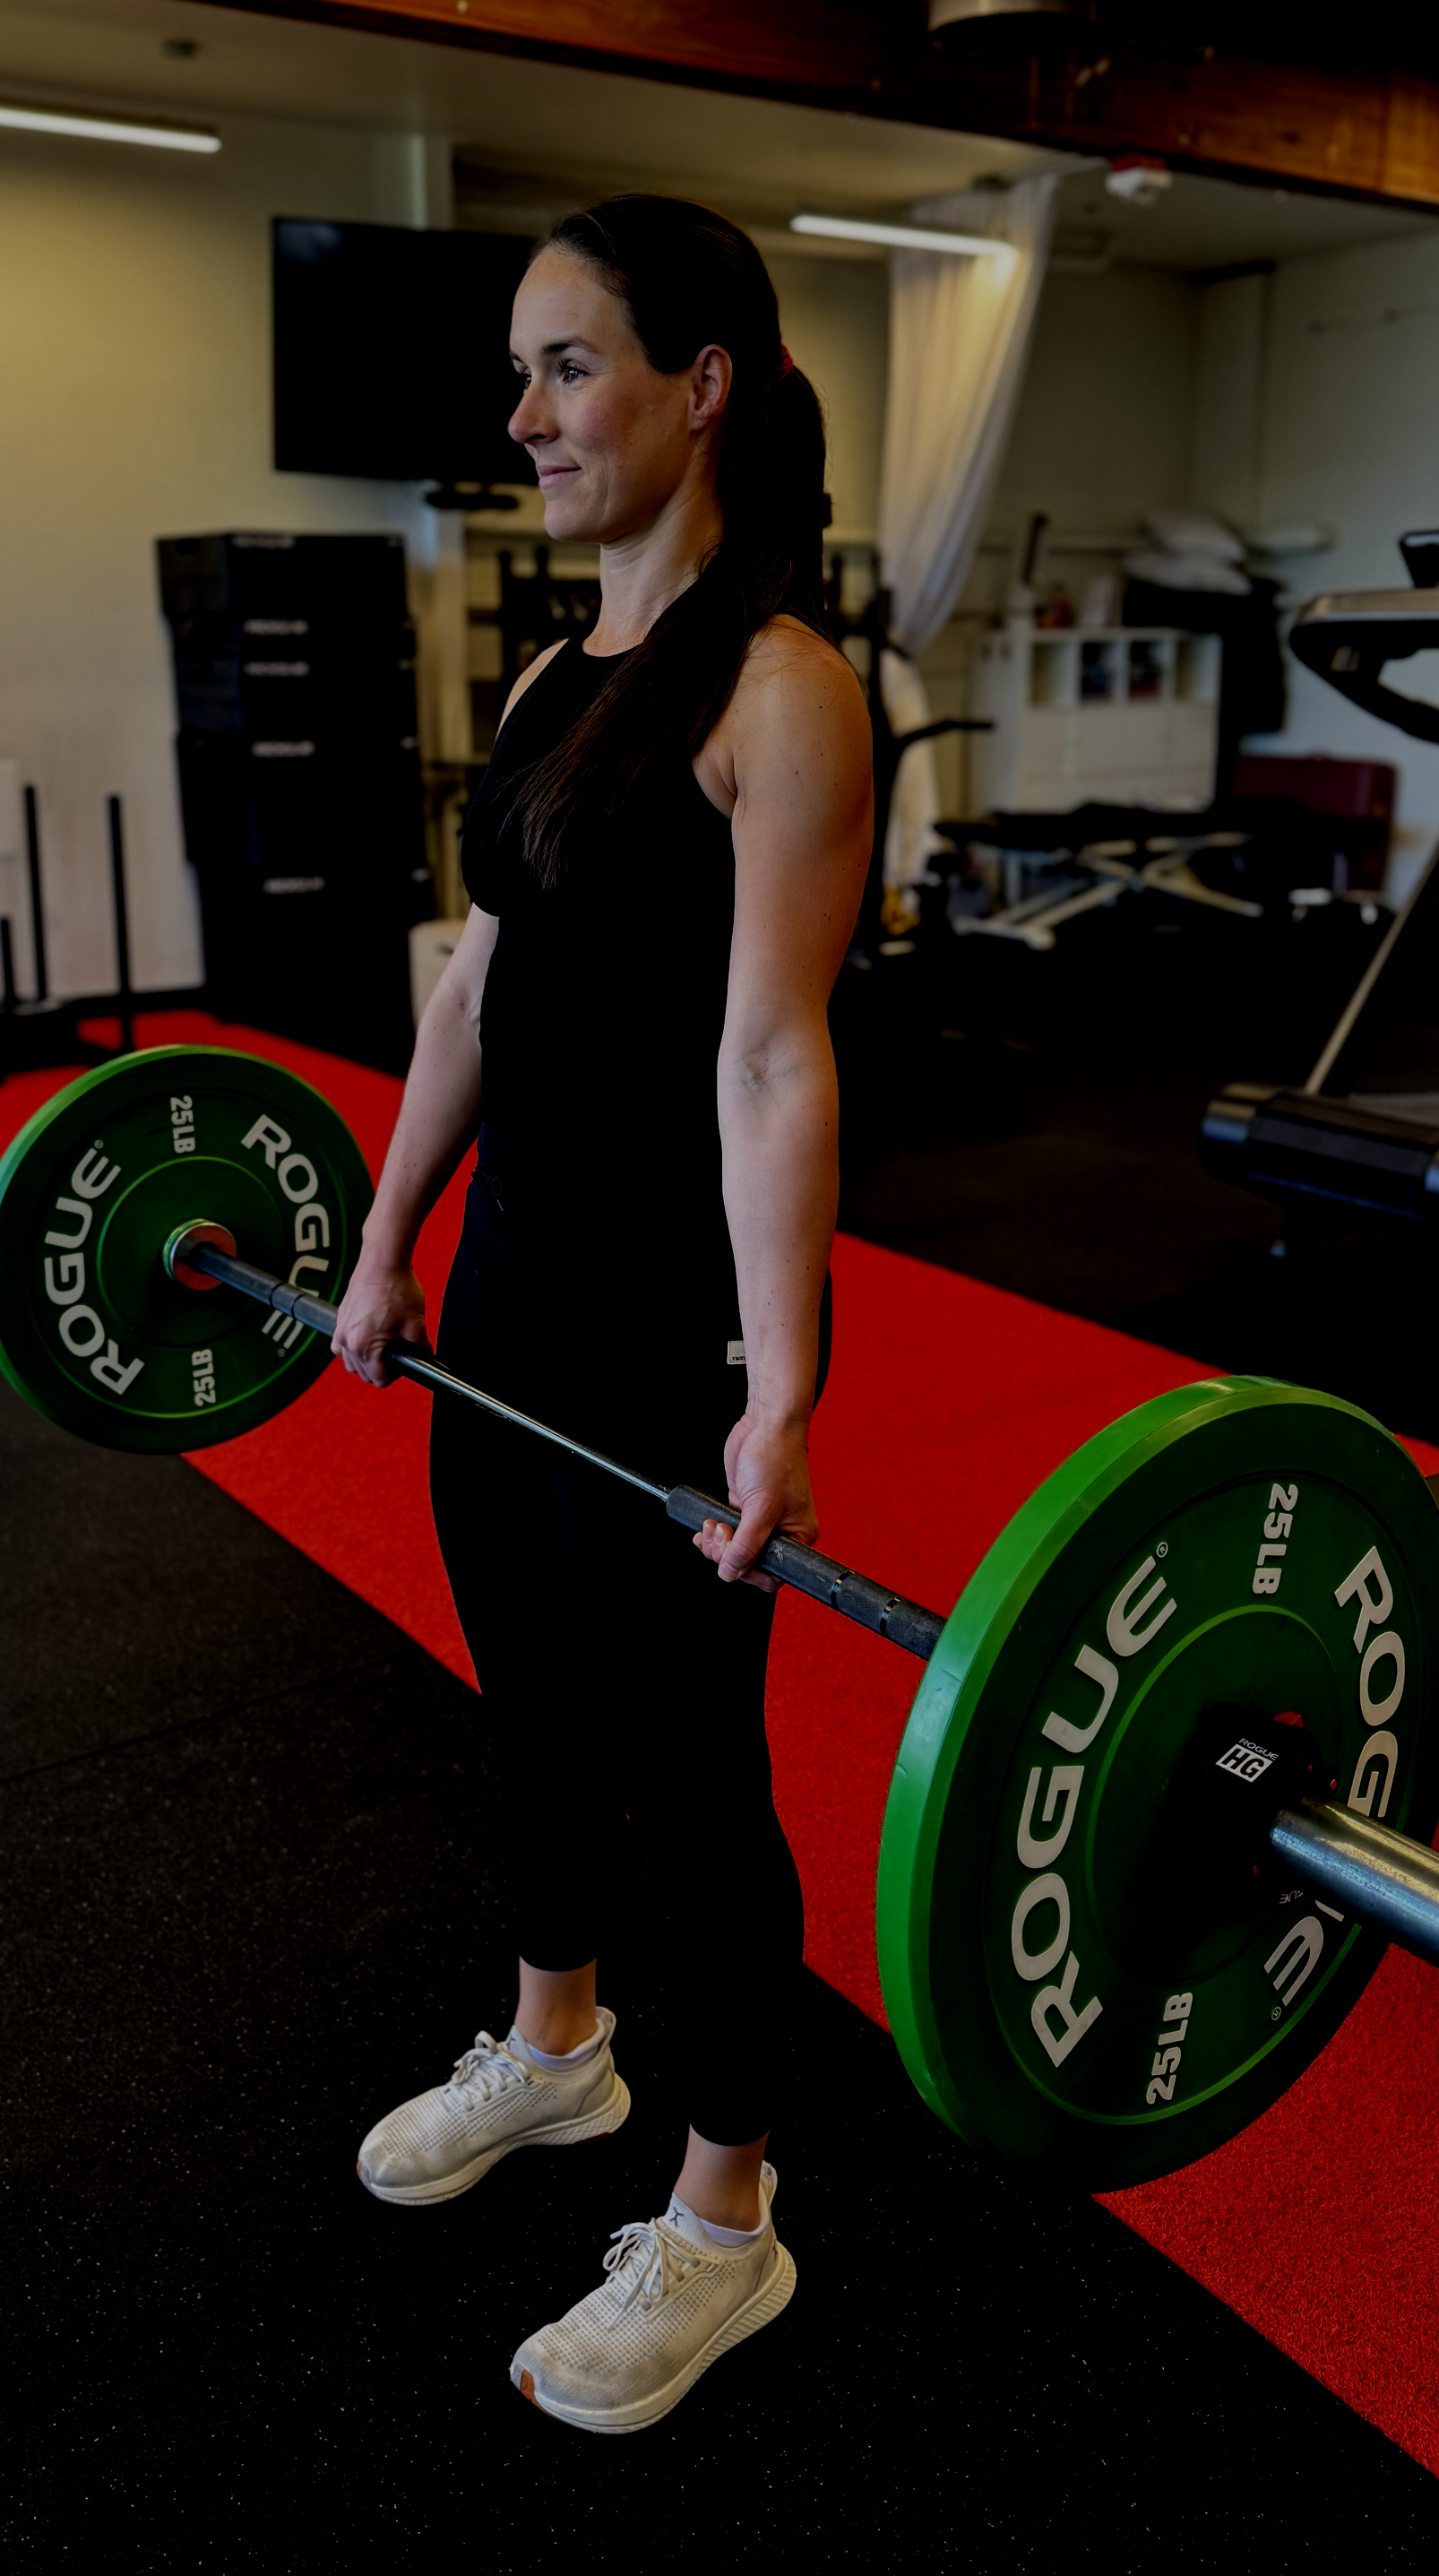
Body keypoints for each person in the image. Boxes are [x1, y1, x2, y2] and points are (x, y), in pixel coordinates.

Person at [333, 195, 872, 2435]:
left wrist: (779, 1394)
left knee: (689, 1778)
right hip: (507, 1304)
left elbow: (771, 1059)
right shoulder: (558, 675)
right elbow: (481, 983)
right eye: (526, 369)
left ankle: (724, 2217)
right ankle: (558, 2054)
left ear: (701, 383)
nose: (524, 412)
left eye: (567, 366)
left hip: (663, 1331)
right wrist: (379, 1241)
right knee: (535, 1711)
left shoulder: (782, 692)